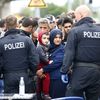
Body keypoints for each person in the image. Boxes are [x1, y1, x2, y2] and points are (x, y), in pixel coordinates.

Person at [60, 5, 100, 100]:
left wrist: (64, 71)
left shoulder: (75, 31)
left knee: (72, 97)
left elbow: (69, 53)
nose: (75, 18)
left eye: (75, 16)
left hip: (80, 72)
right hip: (97, 73)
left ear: (81, 15)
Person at [0, 15, 39, 94]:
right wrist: (31, 73)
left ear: (6, 25)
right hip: (25, 76)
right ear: (17, 25)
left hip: (8, 77)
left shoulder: (1, 42)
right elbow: (34, 60)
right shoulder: (26, 40)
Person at [37, 29, 68, 99]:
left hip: (57, 79)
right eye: (56, 37)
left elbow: (57, 62)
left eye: (60, 37)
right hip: (47, 79)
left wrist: (42, 70)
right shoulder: (48, 48)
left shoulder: (62, 49)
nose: (58, 39)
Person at [36, 31, 51, 100]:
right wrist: (48, 62)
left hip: (44, 65)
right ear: (39, 38)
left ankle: (44, 93)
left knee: (45, 79)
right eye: (44, 38)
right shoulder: (39, 47)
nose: (46, 40)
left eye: (48, 38)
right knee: (43, 79)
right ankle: (45, 93)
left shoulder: (47, 46)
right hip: (40, 65)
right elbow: (42, 57)